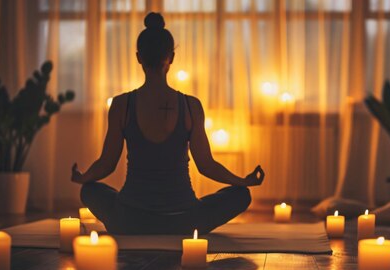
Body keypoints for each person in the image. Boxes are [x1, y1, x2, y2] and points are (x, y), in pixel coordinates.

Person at [71, 12, 265, 235]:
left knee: (89, 191)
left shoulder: (121, 104)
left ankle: (134, 221)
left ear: (138, 57)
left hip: (129, 219)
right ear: (171, 58)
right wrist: (243, 181)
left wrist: (83, 178)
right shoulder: (191, 106)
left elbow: (107, 163)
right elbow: (206, 165)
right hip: (185, 220)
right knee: (241, 195)